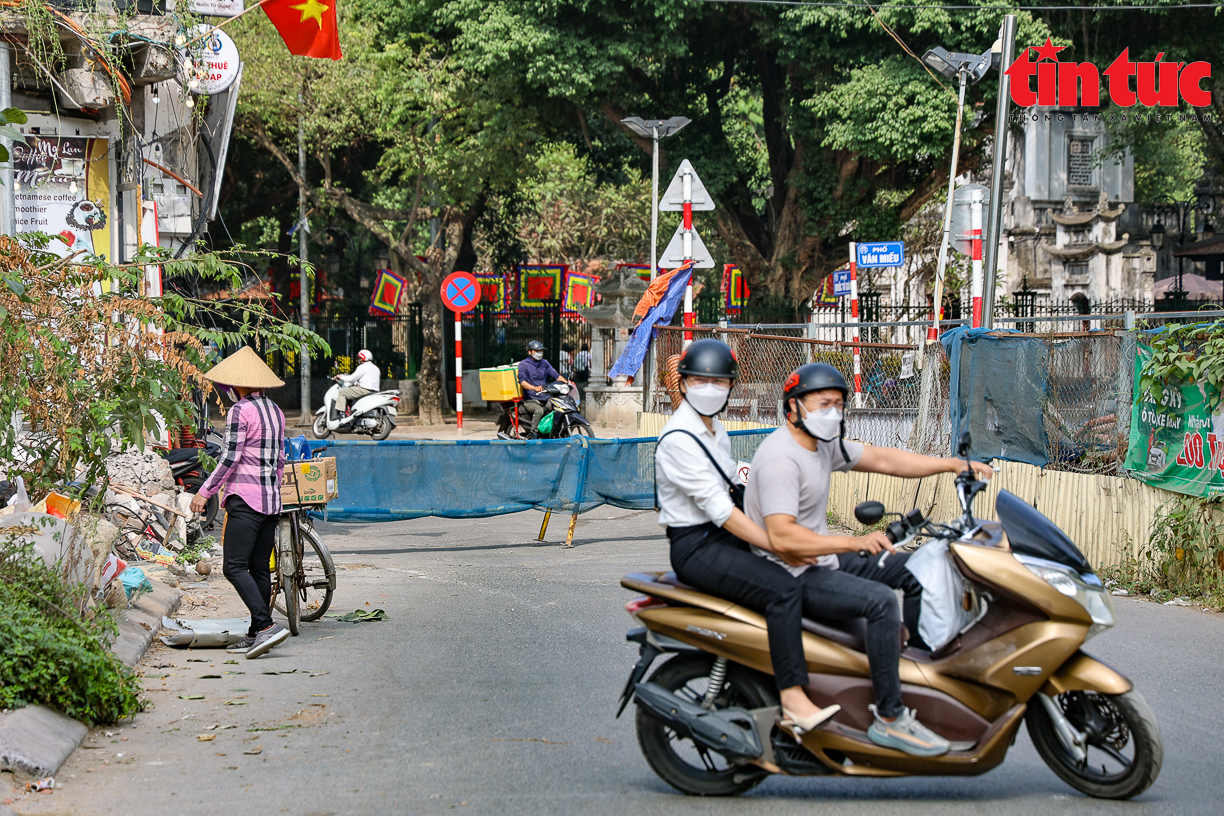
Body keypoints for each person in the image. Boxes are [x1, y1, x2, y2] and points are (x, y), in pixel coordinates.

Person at [744, 363, 993, 757]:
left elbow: (884, 460)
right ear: (793, 408)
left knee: (915, 567)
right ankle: (890, 717)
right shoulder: (781, 459)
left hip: (820, 558)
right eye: (823, 403)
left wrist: (952, 465)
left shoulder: (823, 445)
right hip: (792, 570)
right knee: (879, 603)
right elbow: (782, 536)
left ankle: (918, 676)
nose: (833, 412)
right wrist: (853, 542)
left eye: (839, 404)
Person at [655, 339, 840, 735]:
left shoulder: (715, 428)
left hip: (725, 537)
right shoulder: (677, 439)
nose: (710, 388)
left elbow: (735, 490)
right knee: (783, 589)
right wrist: (778, 545)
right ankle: (793, 699)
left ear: (730, 386)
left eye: (719, 382)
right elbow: (721, 513)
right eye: (700, 380)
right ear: (684, 384)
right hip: (698, 545)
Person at [189, 347, 290, 660]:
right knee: (259, 568)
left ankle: (265, 624)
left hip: (245, 500)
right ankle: (254, 634)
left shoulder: (239, 411)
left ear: (235, 385)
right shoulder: (275, 410)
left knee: (233, 566)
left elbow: (230, 457)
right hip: (271, 501)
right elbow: (280, 460)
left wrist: (205, 490)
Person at [518, 340, 571, 436]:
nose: (539, 353)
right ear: (530, 352)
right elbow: (522, 382)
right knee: (539, 411)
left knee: (558, 409)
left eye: (541, 351)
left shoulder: (544, 363)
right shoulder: (524, 364)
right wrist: (534, 388)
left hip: (544, 397)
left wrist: (568, 382)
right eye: (536, 351)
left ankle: (551, 433)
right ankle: (533, 434)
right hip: (530, 399)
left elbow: (556, 375)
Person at [335, 349, 380, 414]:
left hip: (364, 390)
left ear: (363, 358)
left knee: (342, 392)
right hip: (374, 391)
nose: (359, 359)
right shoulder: (375, 367)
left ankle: (341, 414)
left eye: (360, 358)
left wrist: (341, 377)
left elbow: (351, 379)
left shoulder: (362, 367)